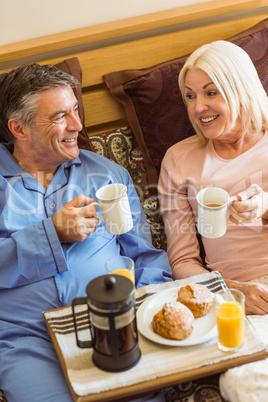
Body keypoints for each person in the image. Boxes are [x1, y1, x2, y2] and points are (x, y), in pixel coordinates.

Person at [0, 63, 172, 402]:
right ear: (19, 128)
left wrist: (148, 310)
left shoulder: (108, 175)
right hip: (27, 339)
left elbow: (146, 256)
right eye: (60, 116)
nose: (78, 126)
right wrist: (52, 234)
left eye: (76, 110)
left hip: (113, 322)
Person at [158, 40, 268, 316]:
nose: (197, 108)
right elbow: (182, 260)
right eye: (191, 96)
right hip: (235, 299)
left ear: (240, 90)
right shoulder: (178, 160)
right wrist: (229, 290)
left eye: (211, 93)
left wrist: (264, 207)